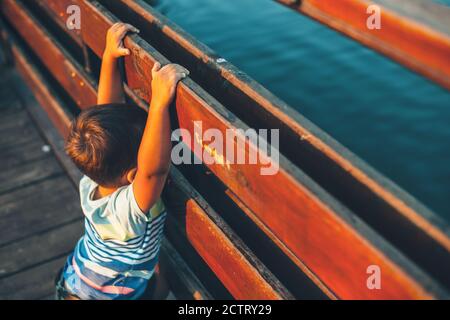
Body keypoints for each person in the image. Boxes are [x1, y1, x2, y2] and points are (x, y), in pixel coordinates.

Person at [56, 22, 189, 300]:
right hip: (109, 295)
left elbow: (107, 117)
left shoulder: (91, 182)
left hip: (78, 278)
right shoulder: (127, 209)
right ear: (132, 174)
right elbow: (154, 170)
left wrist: (109, 57)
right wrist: (159, 103)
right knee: (163, 283)